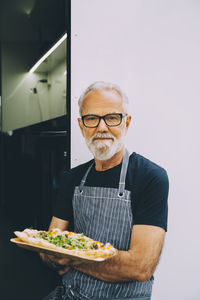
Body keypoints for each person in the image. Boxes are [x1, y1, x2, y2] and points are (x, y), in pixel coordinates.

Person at [41, 81, 169, 300]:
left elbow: (140, 268)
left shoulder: (150, 177)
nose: (101, 128)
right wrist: (56, 255)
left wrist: (72, 258)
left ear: (126, 123)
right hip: (69, 294)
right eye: (91, 118)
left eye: (111, 118)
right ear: (81, 126)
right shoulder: (72, 178)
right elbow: (48, 248)